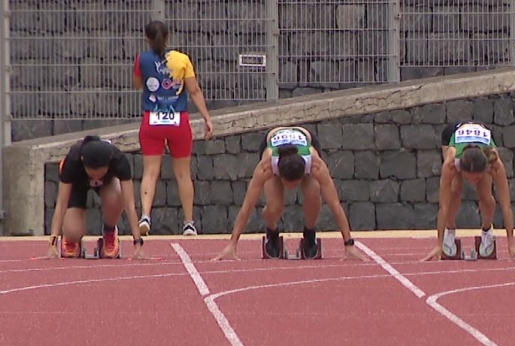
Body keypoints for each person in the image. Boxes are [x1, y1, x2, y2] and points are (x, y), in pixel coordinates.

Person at [213, 126, 368, 261]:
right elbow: (247, 207)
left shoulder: (315, 165)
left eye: (296, 184)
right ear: (278, 173)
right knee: (275, 207)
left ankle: (309, 235)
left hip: (307, 140)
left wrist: (349, 244)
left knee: (314, 196)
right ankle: (272, 232)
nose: (292, 189)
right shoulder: (266, 166)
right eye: (288, 184)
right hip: (272, 142)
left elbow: (335, 205)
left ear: (304, 174)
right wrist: (232, 244)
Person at [133, 20, 214, 237]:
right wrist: (207, 118)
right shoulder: (182, 59)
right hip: (178, 120)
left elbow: (138, 84)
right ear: (168, 37)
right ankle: (188, 223)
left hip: (152, 120)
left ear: (147, 38)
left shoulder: (142, 59)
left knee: (150, 171)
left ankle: (145, 216)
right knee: (183, 173)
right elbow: (194, 91)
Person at [423, 121, 515, 262]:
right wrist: (438, 244)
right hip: (452, 133)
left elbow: (506, 206)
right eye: (468, 178)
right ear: (460, 168)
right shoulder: (451, 163)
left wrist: (511, 245)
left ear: (485, 169)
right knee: (455, 190)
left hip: (481, 141)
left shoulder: (494, 164)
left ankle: (486, 231)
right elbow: (443, 205)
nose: (472, 182)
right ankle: (450, 232)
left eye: (477, 178)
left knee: (484, 195)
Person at [43, 136, 146, 260]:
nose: (96, 178)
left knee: (117, 195)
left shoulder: (119, 160)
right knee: (73, 232)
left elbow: (130, 205)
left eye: (100, 174)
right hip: (77, 184)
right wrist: (52, 243)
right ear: (83, 161)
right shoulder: (72, 160)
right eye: (92, 174)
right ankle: (71, 239)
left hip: (108, 184)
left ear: (109, 161)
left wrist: (138, 244)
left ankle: (109, 231)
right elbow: (61, 204)